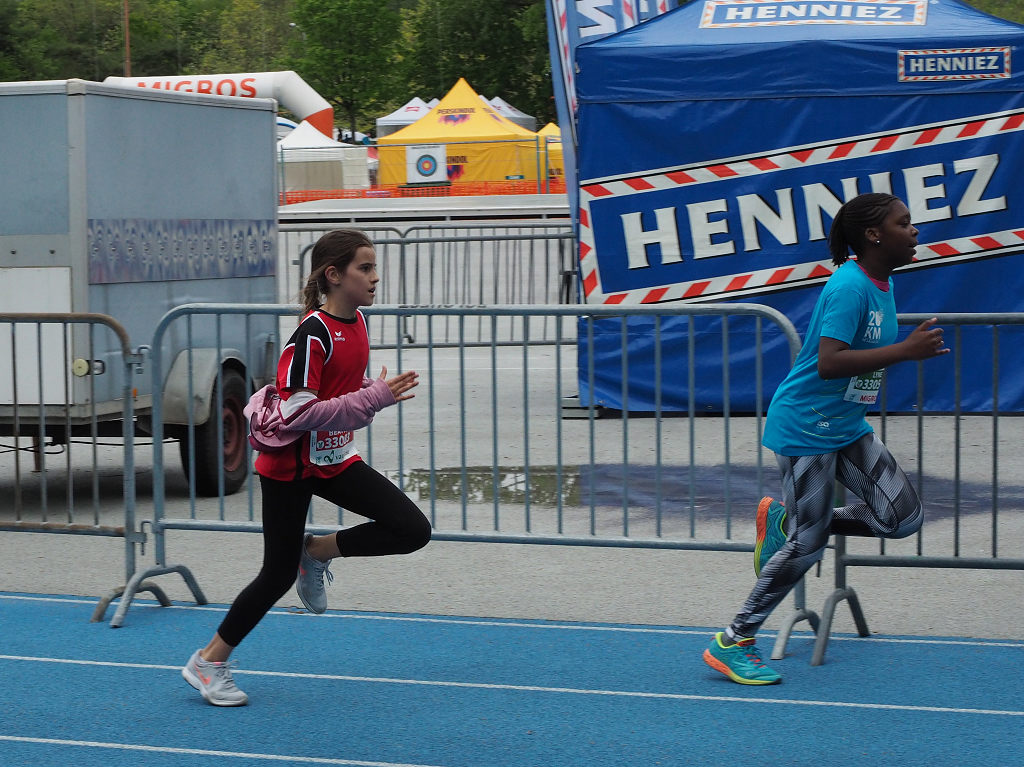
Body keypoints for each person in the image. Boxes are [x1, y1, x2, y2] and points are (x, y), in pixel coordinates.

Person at [703, 193, 950, 685]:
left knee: (902, 517)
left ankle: (790, 520)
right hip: (807, 427)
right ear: (874, 235)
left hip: (846, 425)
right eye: (905, 223)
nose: (915, 231)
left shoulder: (882, 283)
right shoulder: (849, 286)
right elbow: (829, 362)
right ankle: (734, 640)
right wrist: (905, 351)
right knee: (808, 546)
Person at [182, 228, 432, 706]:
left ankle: (316, 551)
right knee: (275, 576)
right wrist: (372, 398)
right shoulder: (311, 335)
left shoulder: (357, 323)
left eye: (375, 267)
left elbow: (341, 392)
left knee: (412, 529)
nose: (375, 277)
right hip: (290, 468)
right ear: (334, 275)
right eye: (365, 268)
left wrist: (368, 393)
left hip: (334, 459)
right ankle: (208, 662)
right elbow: (297, 411)